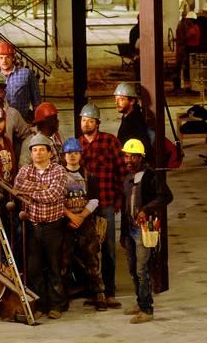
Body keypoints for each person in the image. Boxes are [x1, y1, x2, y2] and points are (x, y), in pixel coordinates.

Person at [13, 133, 68, 318]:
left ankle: (56, 306)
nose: (37, 153)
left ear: (50, 153)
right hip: (33, 226)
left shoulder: (59, 171)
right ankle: (40, 305)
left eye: (41, 150)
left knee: (54, 266)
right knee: (34, 267)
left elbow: (52, 195)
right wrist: (41, 188)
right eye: (34, 150)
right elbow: (17, 187)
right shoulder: (25, 171)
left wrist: (30, 192)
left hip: (53, 226)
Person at [77, 102, 126, 302]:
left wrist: (118, 199)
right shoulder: (77, 145)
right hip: (86, 207)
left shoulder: (110, 142)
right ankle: (94, 290)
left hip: (105, 203)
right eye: (83, 120)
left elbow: (121, 172)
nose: (86, 124)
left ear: (97, 123)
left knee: (108, 249)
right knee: (88, 249)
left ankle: (110, 290)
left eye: (89, 121)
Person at [120, 138, 171, 322]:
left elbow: (165, 196)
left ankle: (147, 309)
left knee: (142, 269)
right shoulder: (127, 177)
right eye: (126, 156)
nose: (128, 160)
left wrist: (146, 209)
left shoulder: (150, 175)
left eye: (132, 156)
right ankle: (140, 302)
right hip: (130, 229)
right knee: (133, 269)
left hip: (144, 229)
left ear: (140, 157)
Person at [61, 139, 116, 310]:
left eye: (76, 153)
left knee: (92, 259)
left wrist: (81, 217)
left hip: (86, 223)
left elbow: (94, 200)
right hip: (66, 224)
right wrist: (71, 217)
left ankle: (99, 295)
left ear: (80, 155)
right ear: (64, 156)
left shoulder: (88, 175)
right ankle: (62, 298)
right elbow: (56, 200)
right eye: (69, 153)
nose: (72, 156)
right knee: (64, 261)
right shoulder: (59, 176)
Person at [0, 74, 30, 148]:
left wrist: (23, 158)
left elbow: (28, 135)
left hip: (8, 156)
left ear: (4, 93)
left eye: (0, 91)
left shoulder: (13, 113)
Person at [0, 41, 39, 121]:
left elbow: (36, 97)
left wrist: (37, 117)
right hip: (4, 122)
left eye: (7, 57)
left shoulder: (26, 73)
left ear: (13, 58)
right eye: (1, 58)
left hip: (24, 120)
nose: (4, 61)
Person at [114, 80, 151, 150]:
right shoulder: (127, 117)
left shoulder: (135, 121)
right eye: (116, 99)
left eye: (121, 99)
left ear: (132, 101)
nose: (116, 103)